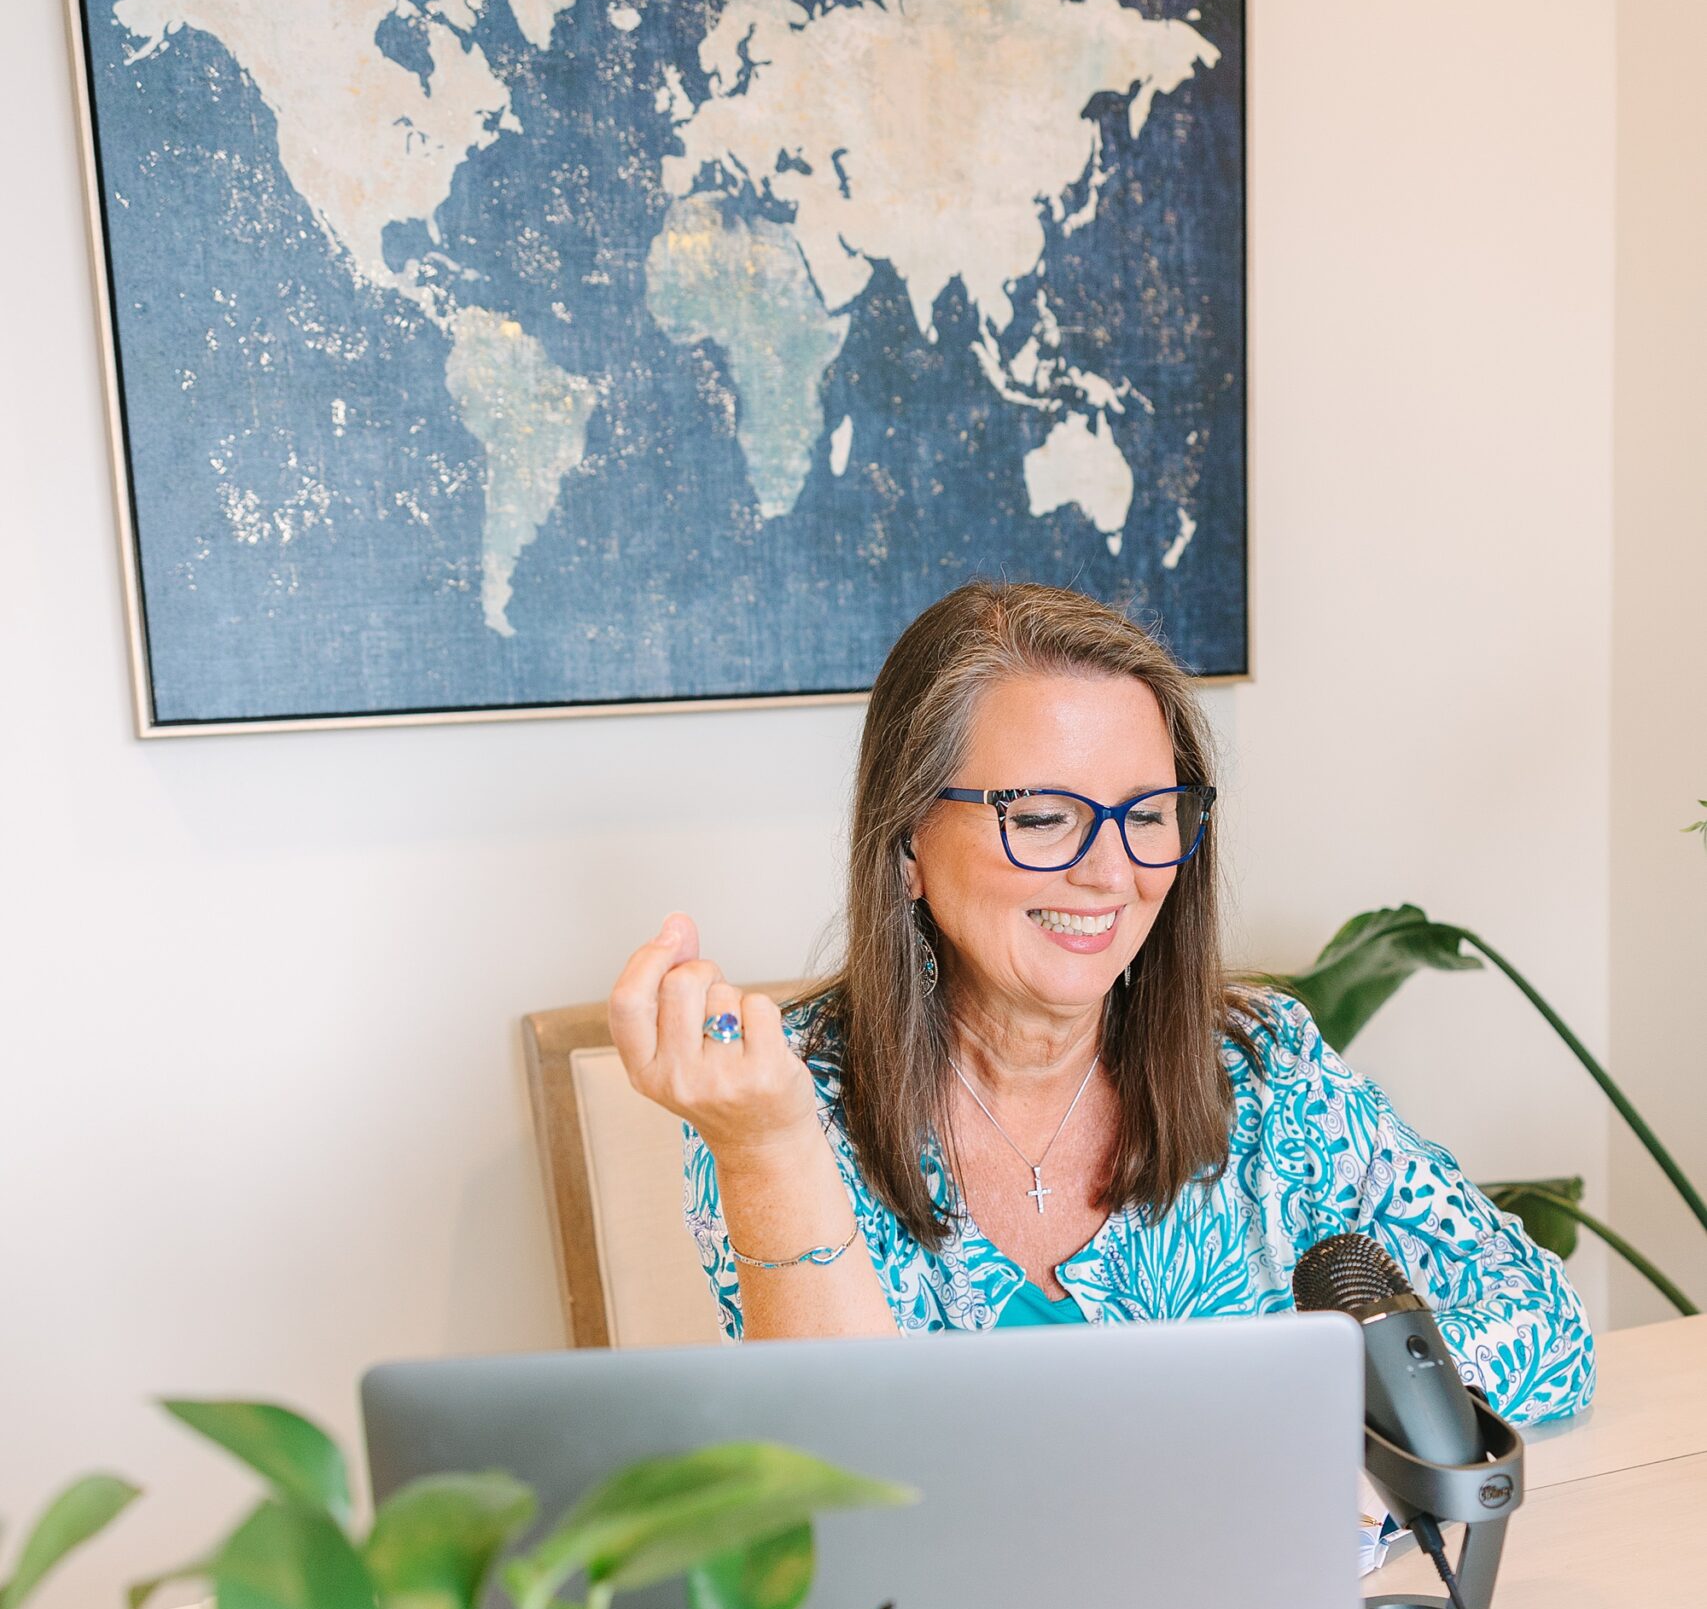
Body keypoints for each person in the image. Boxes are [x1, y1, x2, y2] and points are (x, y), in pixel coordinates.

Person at [608, 581, 1594, 1424]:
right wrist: (767, 1149)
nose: (1111, 872)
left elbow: (1547, 1328)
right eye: (1043, 817)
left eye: (1149, 815)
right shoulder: (785, 1109)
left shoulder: (1266, 1070)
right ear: (908, 838)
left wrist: (1306, 1434)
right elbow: (843, 1472)